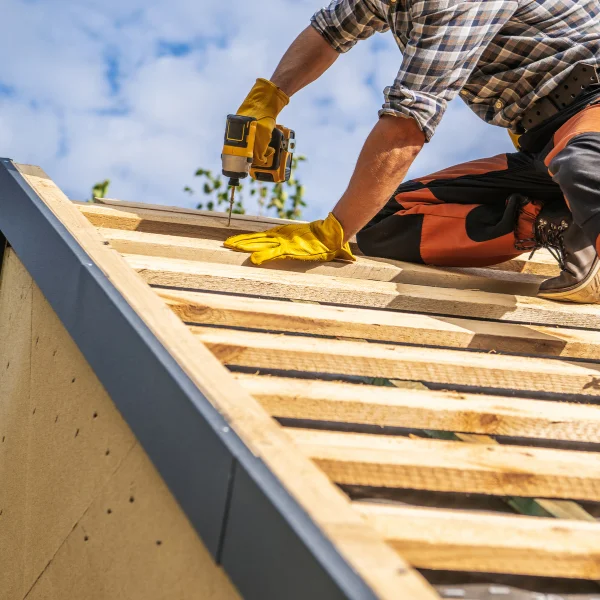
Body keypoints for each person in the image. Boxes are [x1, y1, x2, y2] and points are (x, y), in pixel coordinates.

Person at [224, 0, 600, 303]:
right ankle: (564, 226)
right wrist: (269, 97)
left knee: (582, 162)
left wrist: (329, 234)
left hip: (591, 107)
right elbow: (329, 31)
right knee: (380, 221)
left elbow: (408, 122)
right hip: (542, 141)